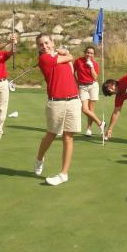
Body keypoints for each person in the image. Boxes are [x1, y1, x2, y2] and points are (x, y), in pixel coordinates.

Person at [33, 34, 81, 186]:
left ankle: (63, 174)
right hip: (56, 102)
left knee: (68, 137)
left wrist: (64, 53)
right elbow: (69, 58)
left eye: (47, 43)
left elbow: (70, 65)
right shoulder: (44, 59)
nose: (44, 46)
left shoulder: (58, 55)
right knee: (51, 135)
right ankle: (39, 158)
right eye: (41, 44)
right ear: (38, 48)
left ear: (52, 42)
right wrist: (65, 53)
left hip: (73, 100)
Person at [73, 46, 105, 136]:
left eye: (91, 53)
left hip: (93, 86)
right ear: (85, 52)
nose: (89, 54)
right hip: (82, 87)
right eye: (88, 52)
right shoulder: (78, 61)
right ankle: (100, 124)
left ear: (94, 55)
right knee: (85, 109)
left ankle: (89, 129)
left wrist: (91, 66)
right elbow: (72, 71)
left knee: (91, 109)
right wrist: (76, 82)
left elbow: (95, 77)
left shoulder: (94, 64)